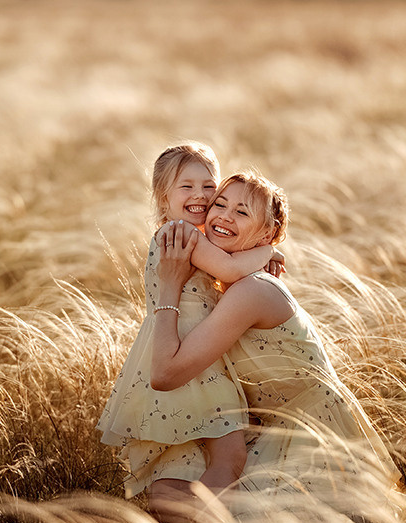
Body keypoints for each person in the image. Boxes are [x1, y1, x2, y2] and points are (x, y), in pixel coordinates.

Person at [148, 172, 399, 523]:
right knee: (164, 494)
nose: (223, 216)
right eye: (219, 205)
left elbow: (164, 373)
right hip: (269, 430)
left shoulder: (252, 291)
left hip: (311, 435)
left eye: (242, 212)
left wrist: (170, 286)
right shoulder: (226, 286)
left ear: (266, 234)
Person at [96, 142, 285, 502]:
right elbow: (229, 268)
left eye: (208, 186)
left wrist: (257, 261)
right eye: (187, 186)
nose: (200, 195)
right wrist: (269, 251)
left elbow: (228, 268)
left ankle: (182, 506)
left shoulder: (190, 235)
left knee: (209, 454)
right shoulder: (181, 235)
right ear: (162, 198)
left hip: (191, 349)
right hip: (190, 358)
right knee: (230, 455)